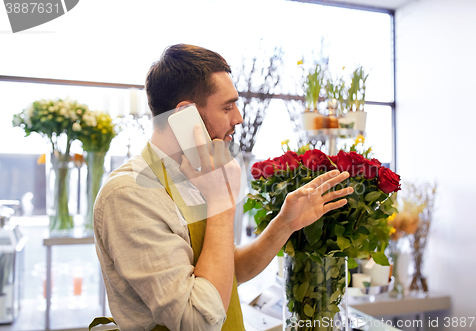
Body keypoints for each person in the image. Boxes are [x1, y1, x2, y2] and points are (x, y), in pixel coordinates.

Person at [93, 44, 353, 331]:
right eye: (227, 107)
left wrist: (285, 224)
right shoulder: (130, 194)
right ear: (184, 116)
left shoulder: (195, 174)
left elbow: (228, 270)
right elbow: (197, 320)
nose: (239, 118)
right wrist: (221, 205)